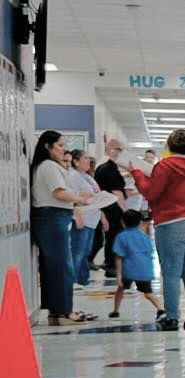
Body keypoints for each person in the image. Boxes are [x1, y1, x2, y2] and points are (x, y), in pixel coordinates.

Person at [125, 129, 185, 330]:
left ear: (170, 146)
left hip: (170, 224)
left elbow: (150, 193)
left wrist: (137, 173)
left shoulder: (165, 166)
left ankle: (172, 318)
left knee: (171, 273)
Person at [29, 131, 94, 325]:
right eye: (59, 146)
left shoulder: (50, 166)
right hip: (52, 218)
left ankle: (57, 312)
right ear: (47, 146)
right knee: (62, 266)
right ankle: (63, 312)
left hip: (53, 218)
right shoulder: (48, 166)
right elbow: (58, 193)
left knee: (55, 267)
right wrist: (80, 199)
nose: (63, 150)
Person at [109, 210, 162, 320]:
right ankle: (161, 309)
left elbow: (118, 257)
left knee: (120, 288)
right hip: (144, 271)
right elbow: (150, 252)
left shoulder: (121, 237)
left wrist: (119, 275)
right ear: (139, 222)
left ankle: (116, 310)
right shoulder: (145, 237)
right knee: (148, 293)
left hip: (129, 270)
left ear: (122, 222)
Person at [67, 150, 106, 288]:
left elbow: (96, 197)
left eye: (89, 158)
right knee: (77, 252)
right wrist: (76, 216)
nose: (88, 161)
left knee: (85, 252)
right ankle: (72, 281)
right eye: (85, 158)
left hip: (91, 220)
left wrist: (102, 216)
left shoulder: (87, 177)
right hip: (81, 219)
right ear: (76, 161)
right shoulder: (73, 177)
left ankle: (82, 280)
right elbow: (72, 199)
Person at [93, 139, 128, 280]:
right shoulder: (109, 168)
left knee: (111, 238)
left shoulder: (104, 167)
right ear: (111, 149)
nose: (121, 153)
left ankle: (111, 265)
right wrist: (126, 211)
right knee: (114, 237)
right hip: (112, 210)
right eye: (119, 149)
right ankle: (112, 266)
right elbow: (116, 192)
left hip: (107, 208)